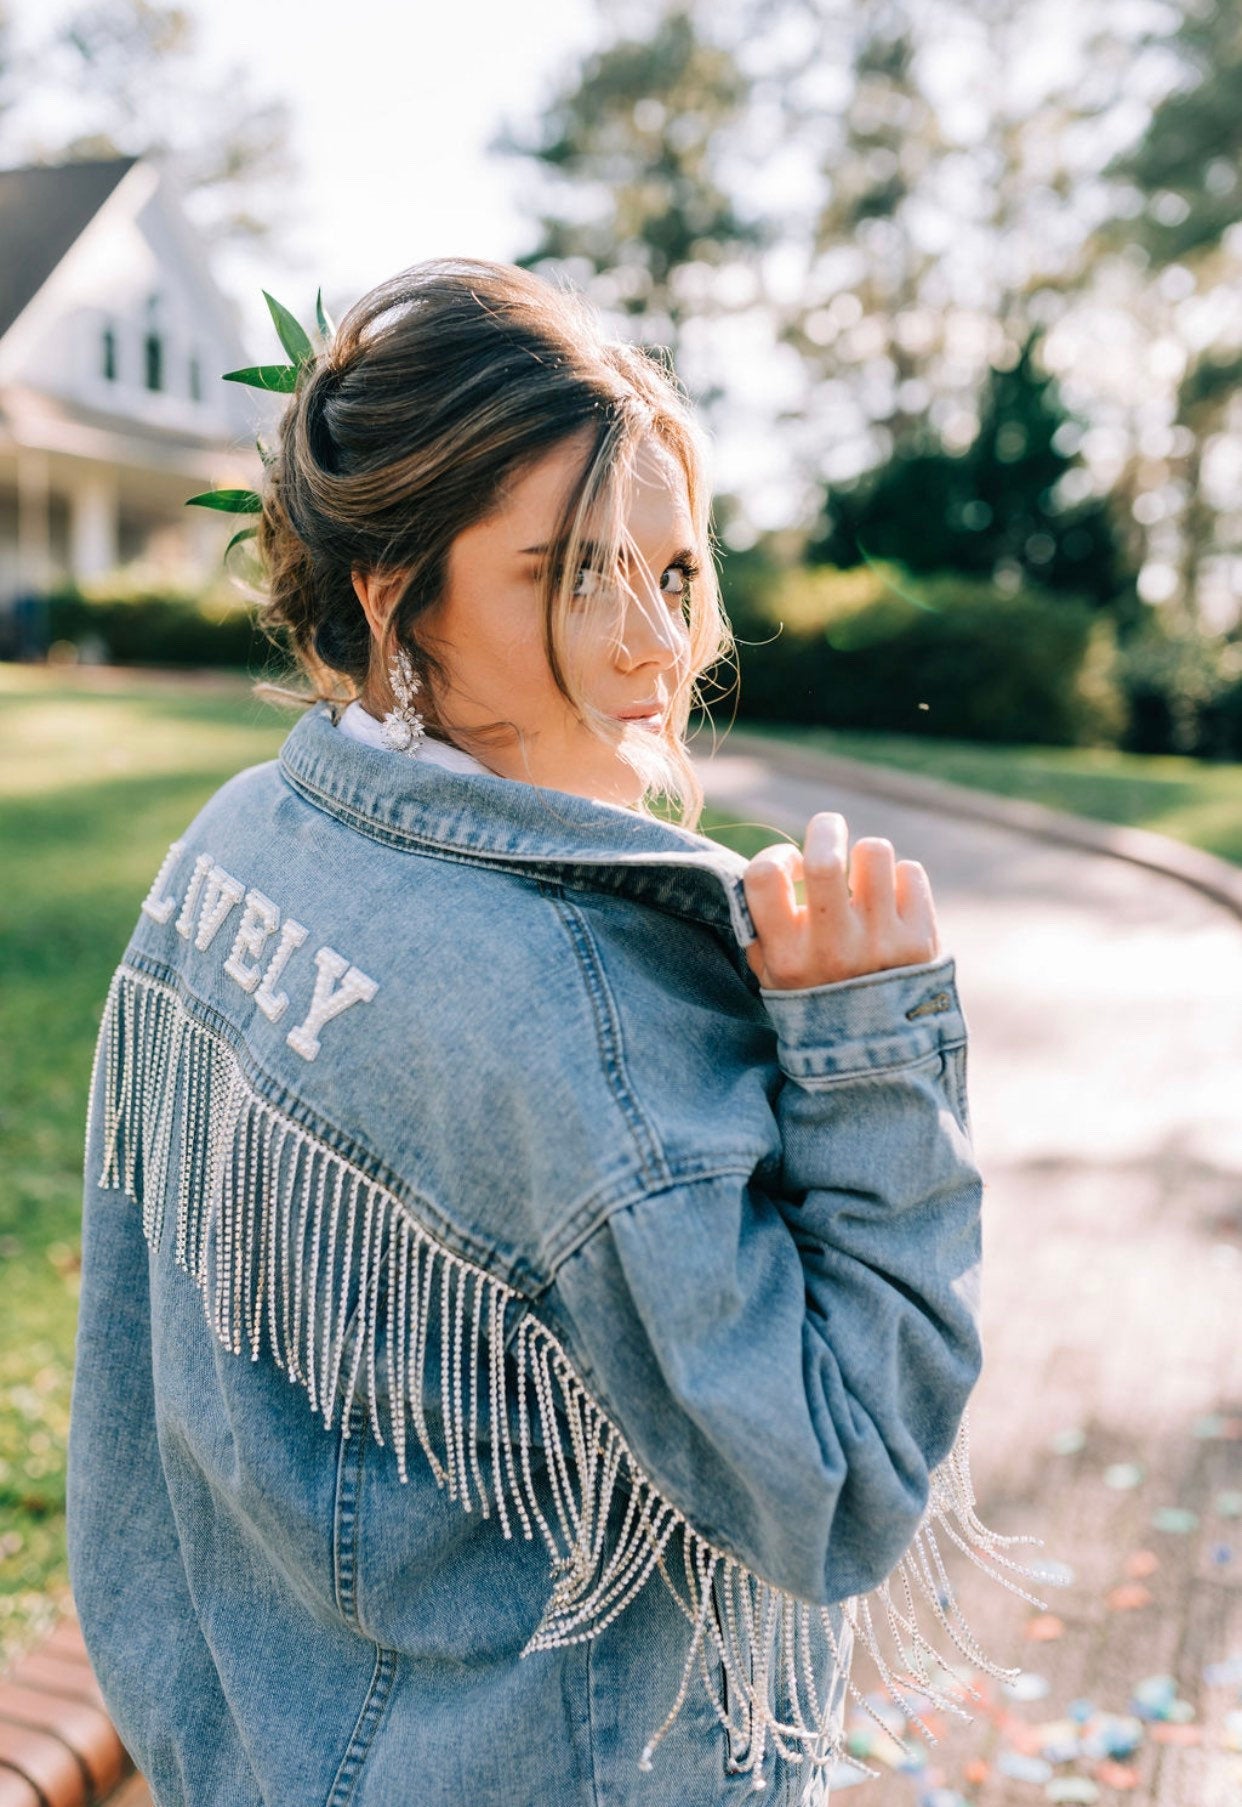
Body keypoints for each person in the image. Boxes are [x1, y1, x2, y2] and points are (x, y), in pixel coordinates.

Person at [65, 258, 1051, 1807]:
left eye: (668, 574)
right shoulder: (579, 1002)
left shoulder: (242, 835)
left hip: (255, 1745)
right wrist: (868, 1059)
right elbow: (835, 1484)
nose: (655, 650)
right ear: (397, 593)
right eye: (567, 572)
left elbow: (135, 1405)